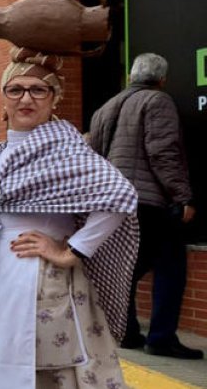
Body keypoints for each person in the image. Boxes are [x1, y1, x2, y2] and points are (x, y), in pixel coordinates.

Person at [0, 45, 139, 387]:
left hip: (38, 277)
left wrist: (71, 250)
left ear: (55, 98)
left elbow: (120, 196)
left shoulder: (65, 148)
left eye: (39, 89)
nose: (26, 98)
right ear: (3, 99)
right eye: (16, 89)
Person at [88, 52, 201, 359]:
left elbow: (94, 157)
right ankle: (162, 338)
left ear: (130, 76)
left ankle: (126, 332)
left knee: (128, 266)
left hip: (114, 200)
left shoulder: (105, 108)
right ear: (162, 79)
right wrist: (182, 196)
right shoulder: (157, 101)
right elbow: (162, 152)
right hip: (148, 201)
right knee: (170, 268)